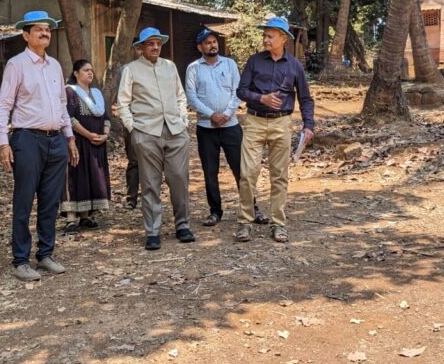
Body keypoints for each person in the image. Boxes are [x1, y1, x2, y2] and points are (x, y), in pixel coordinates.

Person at [0, 10, 80, 281]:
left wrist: (69, 137)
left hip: (56, 140)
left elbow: (62, 104)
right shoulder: (17, 65)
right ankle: (20, 260)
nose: (45, 33)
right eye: (39, 29)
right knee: (24, 199)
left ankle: (45, 254)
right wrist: (3, 143)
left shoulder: (55, 65)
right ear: (26, 35)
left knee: (51, 200)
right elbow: (3, 105)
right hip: (27, 139)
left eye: (48, 29)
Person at [234, 17, 315, 244]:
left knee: (279, 175)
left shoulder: (295, 65)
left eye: (270, 36)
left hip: (282, 123)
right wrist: (261, 98)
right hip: (254, 121)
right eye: (265, 35)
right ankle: (245, 222)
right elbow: (241, 90)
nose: (265, 39)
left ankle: (278, 224)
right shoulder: (254, 61)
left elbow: (306, 98)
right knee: (247, 173)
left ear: (283, 38)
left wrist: (308, 125)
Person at [117, 27, 196, 250]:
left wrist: (183, 120)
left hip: (175, 131)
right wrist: (133, 129)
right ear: (141, 47)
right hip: (146, 132)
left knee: (179, 178)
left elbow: (180, 96)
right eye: (150, 44)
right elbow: (123, 102)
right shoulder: (131, 69)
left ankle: (182, 225)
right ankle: (152, 231)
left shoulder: (169, 66)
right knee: (150, 182)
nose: (155, 47)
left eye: (158, 43)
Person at [185, 28, 243, 227]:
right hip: (206, 128)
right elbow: (191, 97)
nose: (212, 45)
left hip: (231, 125)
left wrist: (226, 113)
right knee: (210, 171)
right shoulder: (193, 68)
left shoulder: (229, 64)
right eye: (207, 43)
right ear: (200, 47)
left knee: (241, 169)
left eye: (214, 41)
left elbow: (238, 91)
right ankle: (215, 211)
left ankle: (251, 208)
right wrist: (212, 115)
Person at [62, 60, 111, 232]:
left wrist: (105, 135)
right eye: (85, 70)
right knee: (75, 176)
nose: (90, 73)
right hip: (78, 142)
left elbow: (106, 118)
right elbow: (70, 118)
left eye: (91, 70)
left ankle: (85, 216)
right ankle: (71, 218)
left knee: (91, 177)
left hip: (97, 144)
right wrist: (88, 135)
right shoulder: (70, 92)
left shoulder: (97, 93)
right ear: (76, 73)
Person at [118, 39, 141, 209]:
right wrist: (129, 123)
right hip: (132, 120)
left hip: (153, 122)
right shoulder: (125, 70)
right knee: (134, 161)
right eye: (137, 48)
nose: (140, 51)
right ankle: (131, 197)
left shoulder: (161, 68)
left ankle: (151, 196)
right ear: (132, 50)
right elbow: (122, 99)